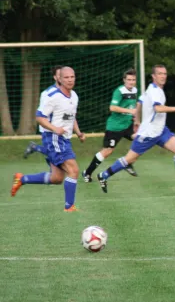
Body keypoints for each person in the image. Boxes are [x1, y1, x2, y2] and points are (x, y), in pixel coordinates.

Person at [97, 64, 175, 193]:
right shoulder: (155, 91)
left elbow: (140, 102)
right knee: (130, 159)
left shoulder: (152, 88)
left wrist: (137, 120)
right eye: (160, 74)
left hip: (160, 130)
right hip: (149, 133)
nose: (163, 76)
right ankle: (104, 175)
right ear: (154, 76)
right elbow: (158, 108)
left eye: (164, 74)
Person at [11, 67, 85, 212]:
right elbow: (39, 117)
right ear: (60, 79)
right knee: (73, 170)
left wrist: (79, 132)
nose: (70, 80)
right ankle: (69, 207)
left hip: (65, 139)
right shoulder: (52, 96)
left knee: (57, 178)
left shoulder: (74, 96)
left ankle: (22, 179)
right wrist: (54, 128)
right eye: (66, 77)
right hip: (54, 138)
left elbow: (71, 116)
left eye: (72, 77)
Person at [82, 68, 139, 182]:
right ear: (124, 80)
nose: (131, 82)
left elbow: (133, 107)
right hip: (115, 127)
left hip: (127, 125)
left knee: (140, 140)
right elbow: (112, 108)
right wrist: (129, 112)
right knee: (107, 151)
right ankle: (87, 173)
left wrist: (136, 120)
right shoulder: (119, 91)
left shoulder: (135, 90)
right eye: (129, 80)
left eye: (133, 80)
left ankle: (127, 162)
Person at [23, 65, 63, 159]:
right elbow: (41, 115)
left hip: (61, 131)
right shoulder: (48, 94)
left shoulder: (69, 93)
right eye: (59, 75)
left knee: (59, 157)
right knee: (56, 157)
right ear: (55, 77)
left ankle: (35, 147)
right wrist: (52, 127)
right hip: (49, 131)